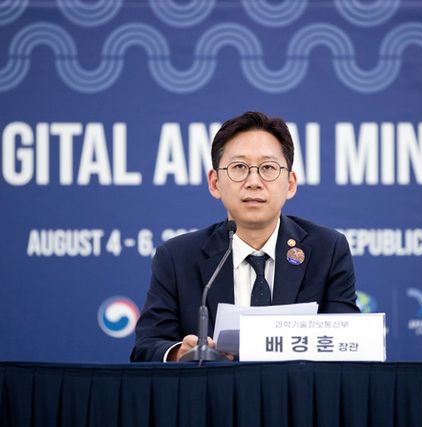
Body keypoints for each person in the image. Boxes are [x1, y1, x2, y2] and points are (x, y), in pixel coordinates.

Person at [131, 111, 359, 362]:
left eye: (268, 168)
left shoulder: (327, 250)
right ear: (215, 183)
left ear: (291, 183)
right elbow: (146, 348)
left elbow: (348, 344)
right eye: (239, 167)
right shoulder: (177, 258)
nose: (253, 182)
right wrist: (179, 353)